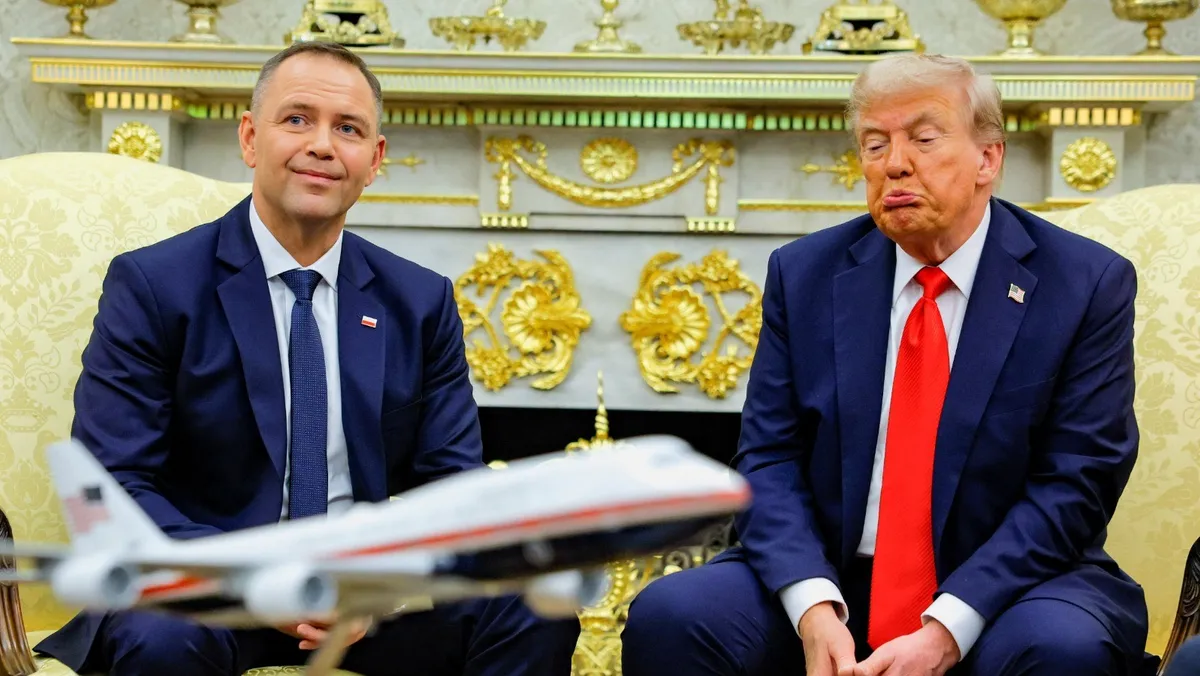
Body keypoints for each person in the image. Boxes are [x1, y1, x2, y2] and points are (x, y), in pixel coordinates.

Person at [34, 41, 580, 676]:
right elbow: (116, 483)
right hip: (208, 595)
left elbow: (452, 487)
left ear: (374, 160)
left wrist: (380, 586)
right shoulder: (156, 286)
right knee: (160, 637)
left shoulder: (419, 301)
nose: (322, 145)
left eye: (348, 129)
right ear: (250, 138)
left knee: (535, 606)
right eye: (297, 119)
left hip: (363, 601)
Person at [622, 53, 1149, 676]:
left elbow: (1078, 483)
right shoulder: (805, 274)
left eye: (923, 139)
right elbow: (768, 458)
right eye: (874, 145)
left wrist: (948, 626)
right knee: (674, 614)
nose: (894, 163)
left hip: (1009, 583)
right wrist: (812, 606)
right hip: (832, 571)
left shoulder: (1083, 283)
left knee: (1060, 647)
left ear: (988, 159)